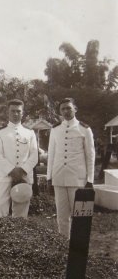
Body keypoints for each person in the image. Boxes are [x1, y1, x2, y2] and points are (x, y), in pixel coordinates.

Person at [47, 98, 95, 238]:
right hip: (59, 178)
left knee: (80, 215)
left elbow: (90, 155)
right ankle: (64, 244)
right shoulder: (55, 129)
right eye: (63, 109)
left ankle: (78, 246)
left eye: (69, 108)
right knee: (62, 216)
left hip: (78, 179)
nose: (66, 111)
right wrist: (49, 177)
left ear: (75, 109)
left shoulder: (84, 129)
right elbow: (51, 154)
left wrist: (90, 180)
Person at [0, 100, 38, 219]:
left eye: (18, 111)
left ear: (23, 113)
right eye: (13, 111)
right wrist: (12, 170)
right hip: (5, 176)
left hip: (24, 176)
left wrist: (22, 170)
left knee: (21, 214)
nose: (15, 114)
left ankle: (18, 232)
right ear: (8, 112)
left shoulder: (29, 132)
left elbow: (34, 156)